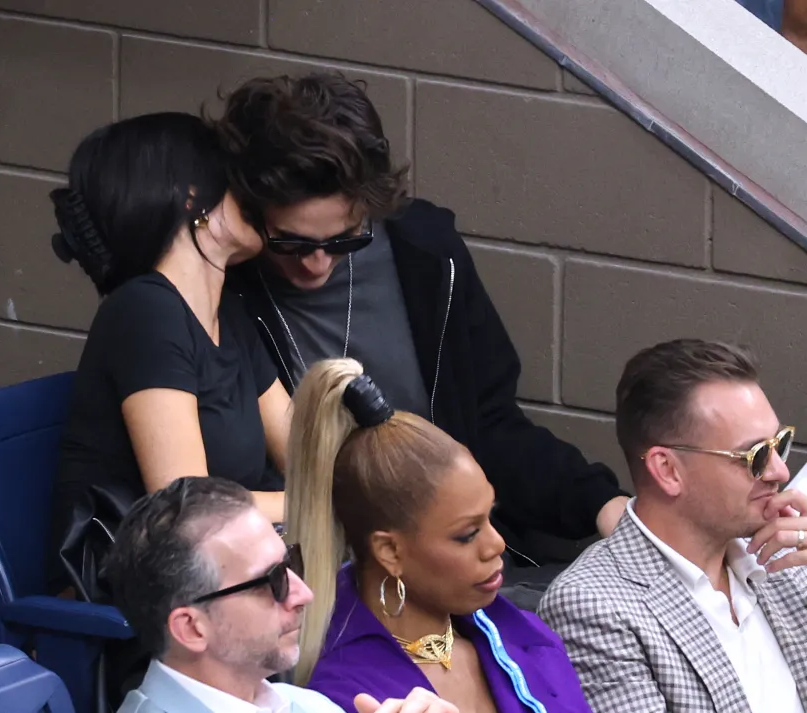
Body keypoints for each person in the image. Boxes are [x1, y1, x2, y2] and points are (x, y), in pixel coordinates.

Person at [212, 73, 629, 602]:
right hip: (314, 578)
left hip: (451, 558)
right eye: (290, 243)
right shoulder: (228, 292)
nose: (317, 263)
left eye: (344, 239)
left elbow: (489, 426)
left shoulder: (426, 258)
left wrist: (600, 502)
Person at [47, 113, 290, 600]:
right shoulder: (146, 311)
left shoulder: (229, 314)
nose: (256, 197)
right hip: (143, 611)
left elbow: (307, 450)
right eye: (236, 181)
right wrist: (316, 505)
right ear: (192, 197)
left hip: (226, 579)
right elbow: (189, 507)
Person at [283, 358, 591, 712]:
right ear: (390, 552)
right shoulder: (342, 696)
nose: (496, 545)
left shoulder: (525, 634)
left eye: (491, 517)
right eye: (467, 534)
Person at [538, 339, 807, 712]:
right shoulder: (594, 606)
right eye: (756, 455)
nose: (780, 471)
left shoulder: (786, 557)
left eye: (780, 444)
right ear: (667, 470)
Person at [104, 476, 461, 713]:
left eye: (291, 564)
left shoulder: (302, 704)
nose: (303, 593)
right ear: (192, 628)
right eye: (271, 582)